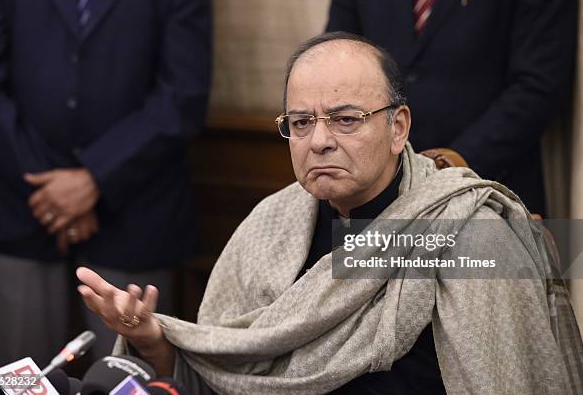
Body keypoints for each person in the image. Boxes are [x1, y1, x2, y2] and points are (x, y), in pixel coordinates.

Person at [77, 33, 575, 394]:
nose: (319, 141)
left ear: (398, 128)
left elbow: (507, 378)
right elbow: (220, 379)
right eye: (300, 123)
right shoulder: (268, 227)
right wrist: (151, 341)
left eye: (345, 119)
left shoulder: (469, 231)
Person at [0, 0, 211, 365]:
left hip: (136, 211)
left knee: (132, 376)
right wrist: (52, 191)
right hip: (22, 207)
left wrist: (95, 180)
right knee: (20, 379)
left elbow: (183, 95)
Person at [326, 0, 578, 216]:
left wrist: (442, 168)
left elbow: (539, 86)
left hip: (489, 194)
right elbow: (335, 62)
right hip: (369, 198)